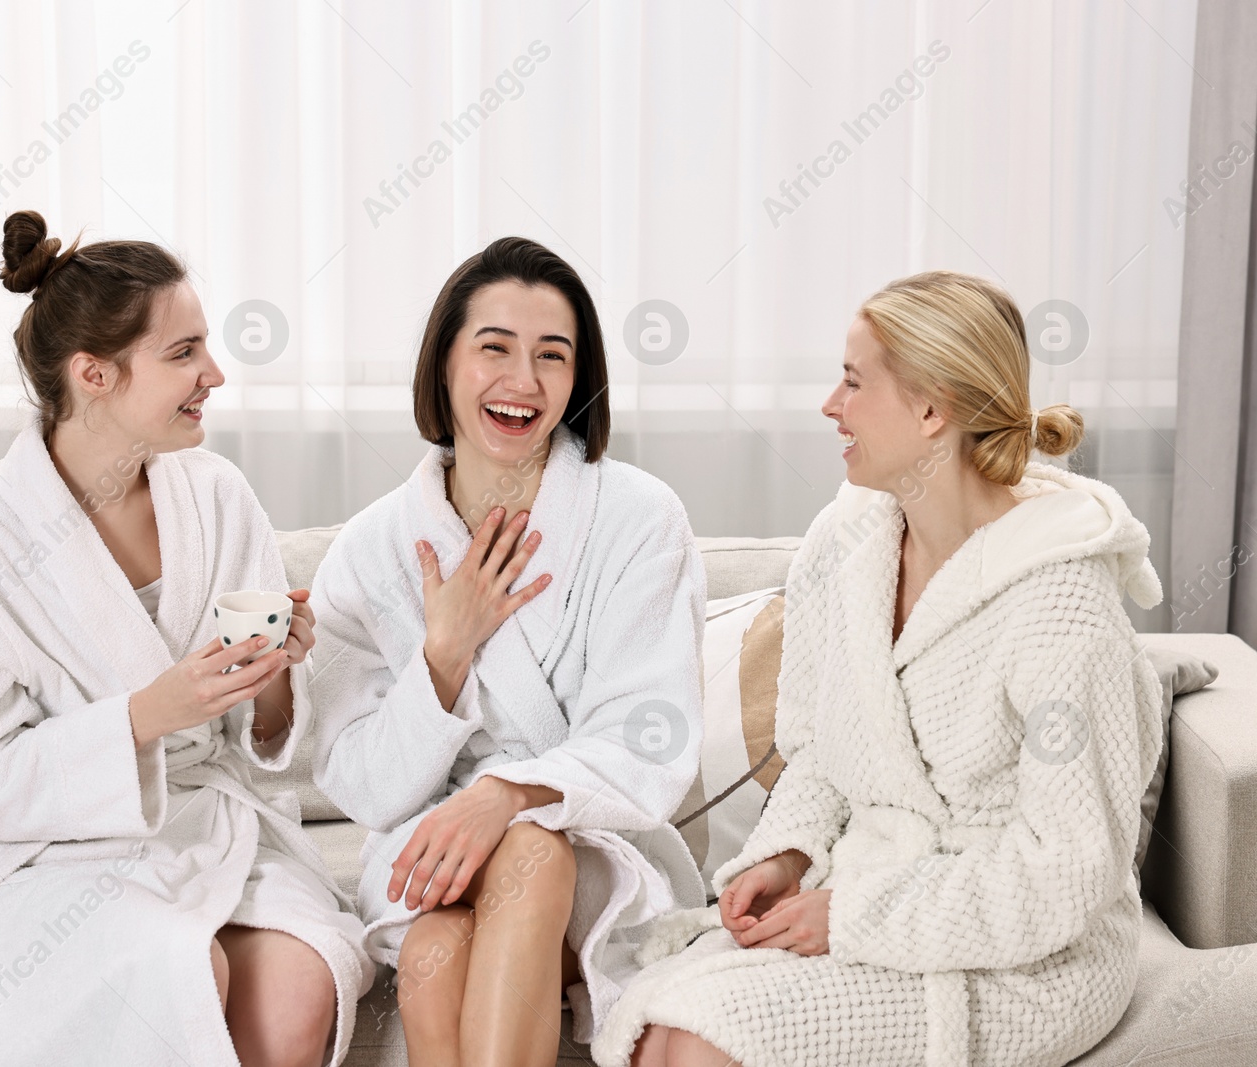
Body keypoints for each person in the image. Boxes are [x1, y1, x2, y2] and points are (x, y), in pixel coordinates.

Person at [593, 270, 1164, 1067]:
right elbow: (821, 751)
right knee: (655, 1028)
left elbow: (1068, 874)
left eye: (854, 382)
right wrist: (785, 856)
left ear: (932, 410)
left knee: (695, 1041)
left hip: (1026, 957)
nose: (831, 404)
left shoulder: (1061, 598)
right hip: (871, 890)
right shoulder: (846, 542)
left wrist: (854, 915)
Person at [0, 210, 372, 1067]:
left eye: (205, 346)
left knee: (298, 989)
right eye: (183, 354)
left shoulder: (216, 497)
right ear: (93, 373)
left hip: (210, 823)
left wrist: (278, 668)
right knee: (179, 966)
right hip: (52, 856)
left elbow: (263, 734)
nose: (215, 373)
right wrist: (141, 716)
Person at [308, 236, 708, 1066]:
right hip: (433, 853)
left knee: (531, 846)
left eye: (551, 356)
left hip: (597, 847)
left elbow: (651, 734)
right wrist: (443, 657)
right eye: (494, 347)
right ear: (445, 361)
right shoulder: (375, 546)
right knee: (428, 953)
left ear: (578, 376)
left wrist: (507, 792)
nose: (522, 382)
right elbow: (358, 781)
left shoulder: (638, 517)